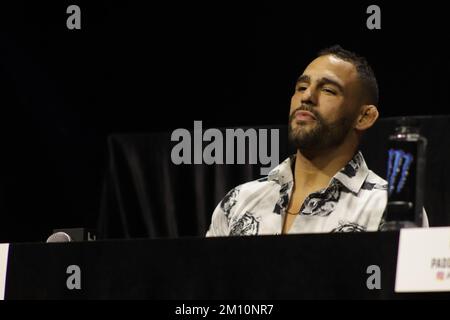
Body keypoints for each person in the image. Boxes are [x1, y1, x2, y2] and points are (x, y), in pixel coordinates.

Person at [206, 45, 428, 236]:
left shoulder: (385, 209)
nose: (307, 96)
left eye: (328, 90)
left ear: (364, 117)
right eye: (301, 87)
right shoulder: (238, 201)